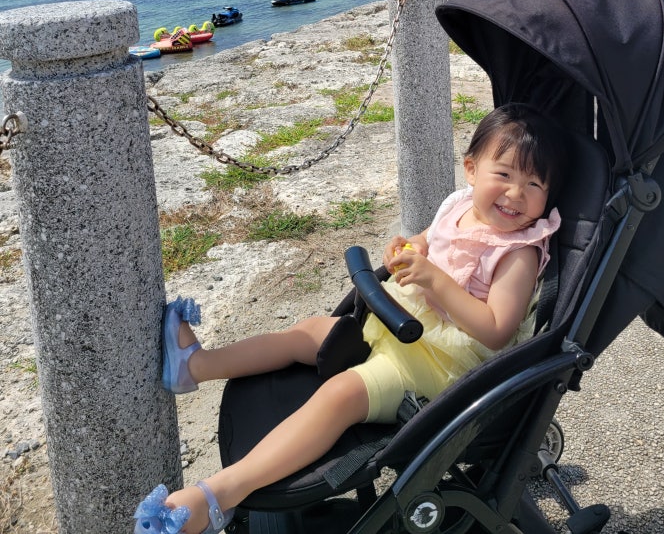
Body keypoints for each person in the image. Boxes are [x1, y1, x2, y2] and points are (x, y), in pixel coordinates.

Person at [134, 103, 564, 534]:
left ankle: (219, 495)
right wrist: (409, 248)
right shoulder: (459, 205)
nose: (515, 194)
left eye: (534, 184)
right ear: (471, 169)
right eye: (503, 175)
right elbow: (430, 240)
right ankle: (196, 365)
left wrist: (436, 281)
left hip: (440, 367)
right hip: (401, 323)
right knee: (308, 332)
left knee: (342, 394)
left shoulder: (518, 254)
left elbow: (496, 330)